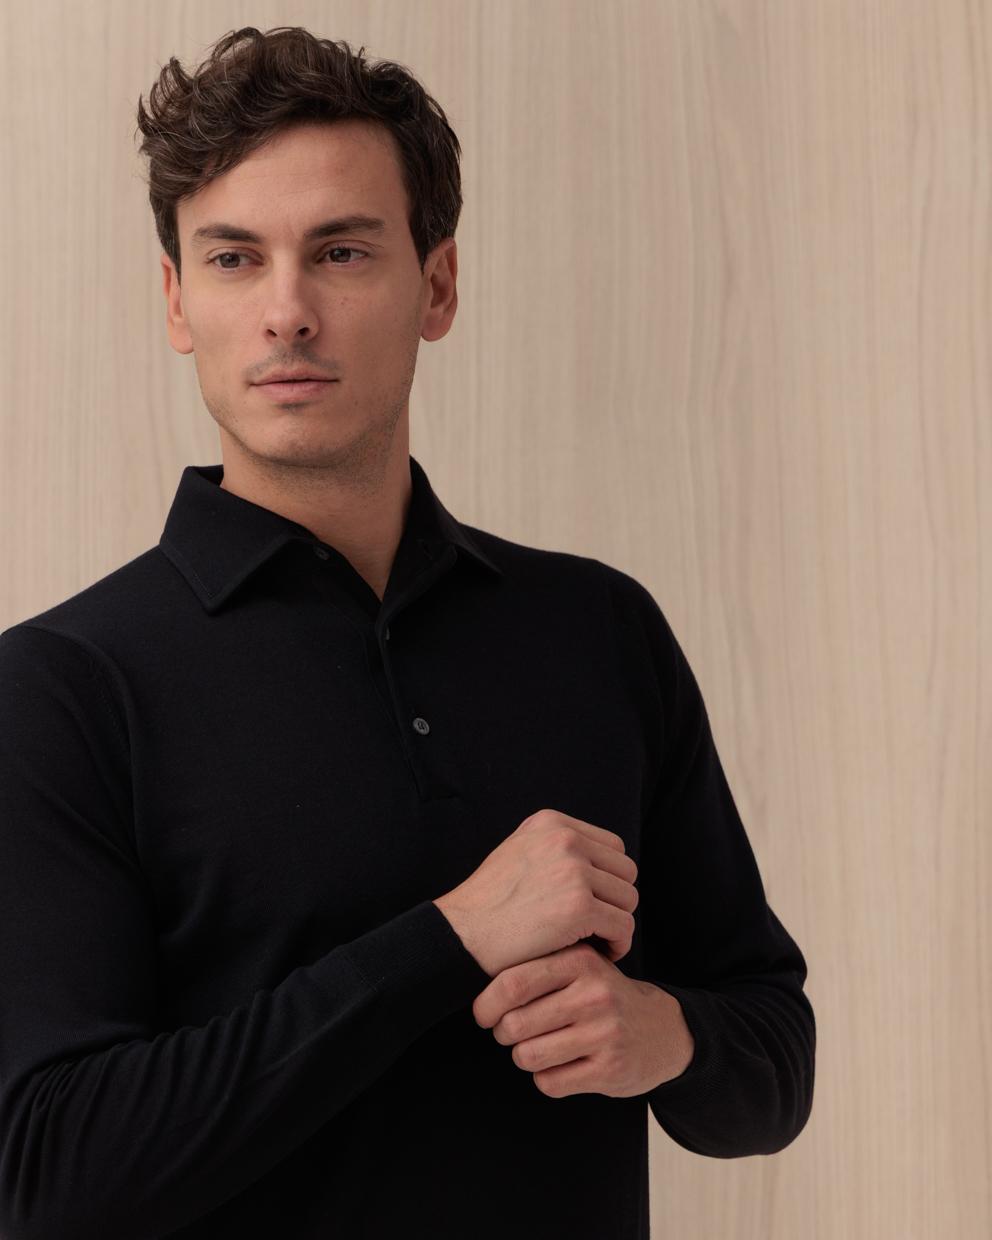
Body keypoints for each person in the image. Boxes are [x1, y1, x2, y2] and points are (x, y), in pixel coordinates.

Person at [0, 25, 815, 1240]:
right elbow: (46, 1173)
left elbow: (772, 1060)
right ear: (178, 300)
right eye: (233, 258)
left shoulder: (597, 628)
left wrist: (664, 1035)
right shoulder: (62, 687)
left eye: (340, 252)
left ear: (435, 286)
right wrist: (452, 936)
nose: (286, 312)